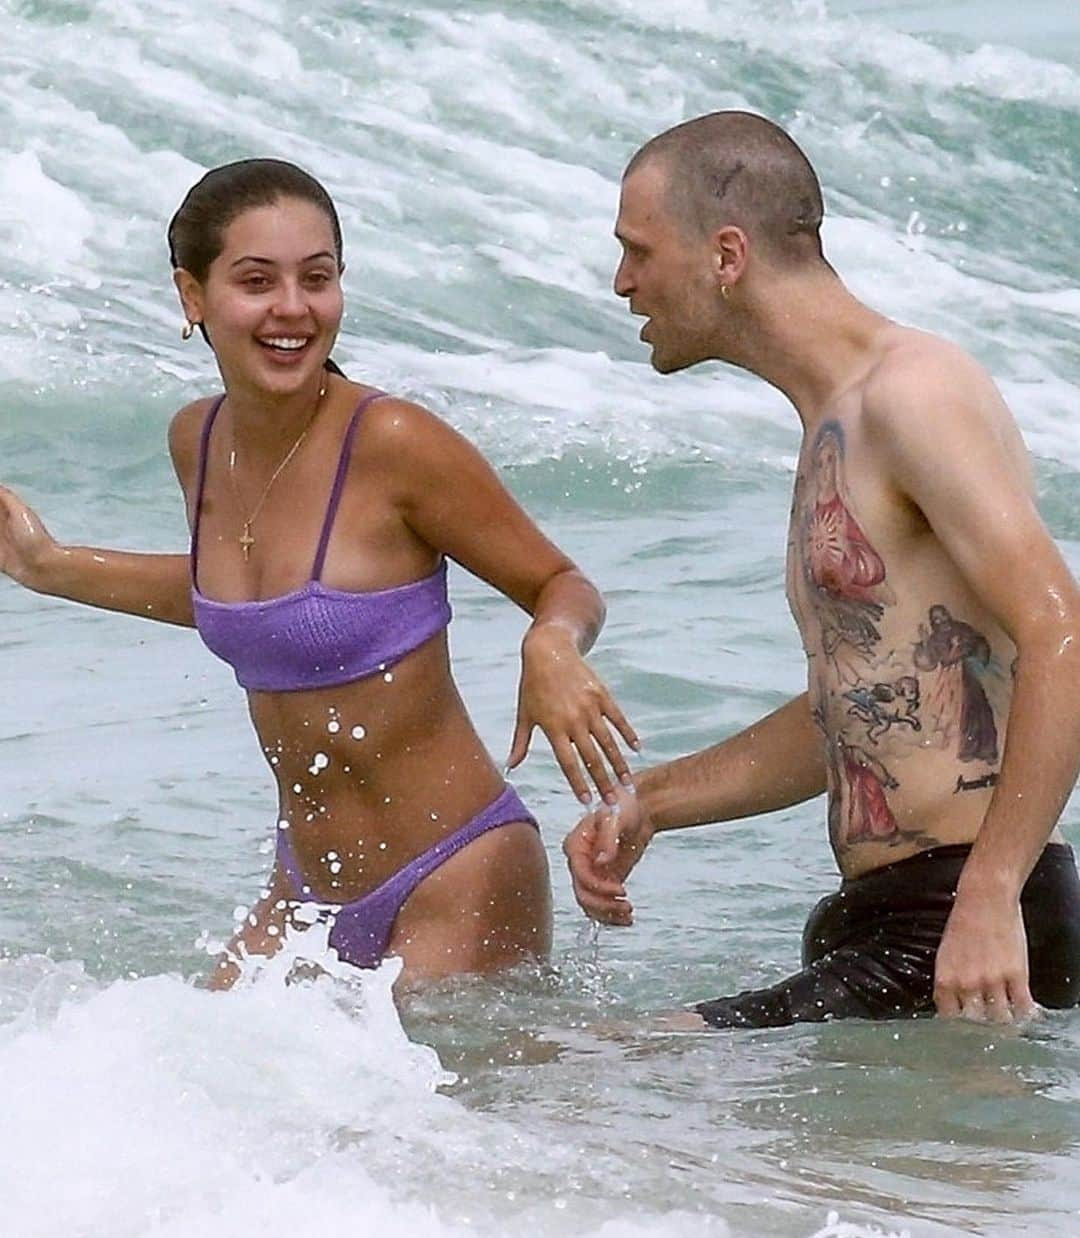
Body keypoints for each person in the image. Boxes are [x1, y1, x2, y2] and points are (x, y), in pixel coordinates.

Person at [0, 158, 638, 988]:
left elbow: (562, 582)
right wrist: (49, 567)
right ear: (193, 297)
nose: (293, 308)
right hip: (303, 893)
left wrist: (551, 643)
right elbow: (245, 600)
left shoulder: (393, 442)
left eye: (318, 278)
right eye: (257, 281)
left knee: (460, 1123)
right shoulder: (198, 439)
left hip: (456, 872)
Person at [564, 112, 1080, 1028]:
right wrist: (653, 799)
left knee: (597, 1069)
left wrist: (991, 897)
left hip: (961, 923)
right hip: (905, 920)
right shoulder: (836, 423)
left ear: (727, 255)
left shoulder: (911, 393)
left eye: (637, 249)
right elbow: (873, 703)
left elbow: (1061, 633)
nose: (623, 282)